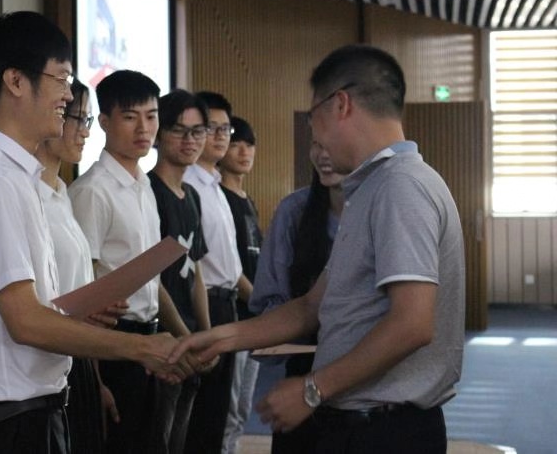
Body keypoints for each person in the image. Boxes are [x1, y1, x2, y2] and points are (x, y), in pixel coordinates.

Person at [171, 44, 466, 454]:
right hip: (356, 422)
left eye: (314, 117)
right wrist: (219, 338)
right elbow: (311, 306)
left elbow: (412, 323)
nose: (317, 137)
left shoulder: (400, 186)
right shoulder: (371, 188)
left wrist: (312, 389)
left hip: (383, 430)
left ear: (340, 104)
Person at [0, 12, 189, 454]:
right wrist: (139, 348)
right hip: (6, 425)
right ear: (16, 81)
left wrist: (77, 315)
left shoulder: (21, 179)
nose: (69, 95)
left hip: (31, 413)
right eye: (61, 79)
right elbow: (25, 321)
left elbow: (35, 308)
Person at [69, 70, 197, 454]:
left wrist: (183, 340)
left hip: (148, 340)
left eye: (151, 116)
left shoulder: (144, 186)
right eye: (130, 117)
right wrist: (95, 380)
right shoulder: (92, 191)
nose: (144, 128)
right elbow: (82, 293)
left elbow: (152, 281)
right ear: (104, 122)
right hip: (111, 347)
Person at [35, 79, 123, 453]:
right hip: (46, 367)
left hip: (77, 361)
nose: (85, 131)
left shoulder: (60, 194)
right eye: (78, 119)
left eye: (88, 120)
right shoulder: (28, 196)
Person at [249, 140, 345, 453]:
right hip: (303, 374)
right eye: (316, 144)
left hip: (370, 381)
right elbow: (270, 303)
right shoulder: (295, 210)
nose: (324, 154)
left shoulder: (387, 207)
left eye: (334, 143)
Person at [182, 92, 253, 454]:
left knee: (220, 413)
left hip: (227, 305)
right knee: (201, 418)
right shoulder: (189, 184)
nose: (222, 136)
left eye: (227, 129)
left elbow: (230, 265)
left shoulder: (216, 186)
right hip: (203, 305)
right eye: (213, 128)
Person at [148, 89, 215, 453]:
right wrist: (186, 339)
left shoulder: (191, 195)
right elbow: (151, 279)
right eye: (179, 129)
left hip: (189, 340)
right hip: (163, 341)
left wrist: (206, 337)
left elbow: (196, 271)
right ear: (159, 133)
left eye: (198, 131)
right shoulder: (150, 191)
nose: (190, 140)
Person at [218, 116, 263, 454]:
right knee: (228, 411)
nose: (244, 152)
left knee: (242, 410)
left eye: (249, 145)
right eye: (236, 144)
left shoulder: (247, 200)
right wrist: (261, 301)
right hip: (235, 314)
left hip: (255, 317)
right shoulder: (219, 198)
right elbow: (228, 267)